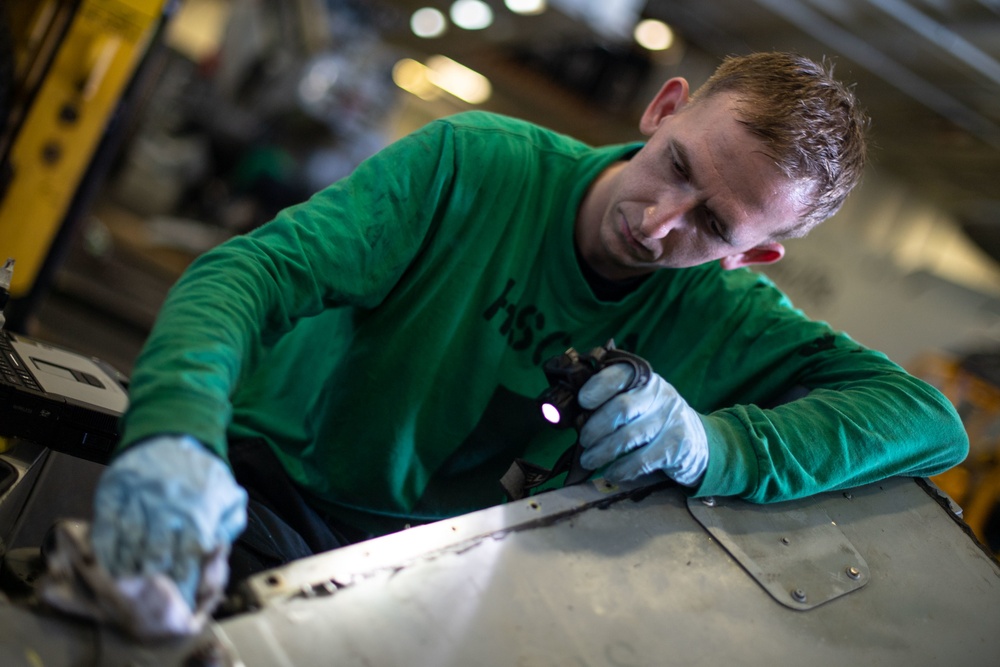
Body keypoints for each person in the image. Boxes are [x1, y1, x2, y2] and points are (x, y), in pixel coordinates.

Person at [89, 52, 969, 613]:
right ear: (663, 109)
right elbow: (250, 276)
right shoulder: (475, 164)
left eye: (713, 226)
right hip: (264, 497)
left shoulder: (729, 314)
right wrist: (176, 433)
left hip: (426, 584)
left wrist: (713, 443)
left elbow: (929, 421)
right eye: (676, 168)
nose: (660, 223)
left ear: (758, 253)